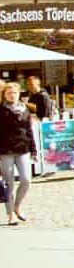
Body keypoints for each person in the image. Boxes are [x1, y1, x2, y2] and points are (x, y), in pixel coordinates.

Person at [0, 82, 35, 225]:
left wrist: (33, 149)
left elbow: (29, 130)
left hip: (23, 149)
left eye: (14, 92)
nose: (12, 95)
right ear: (4, 95)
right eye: (9, 93)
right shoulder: (1, 110)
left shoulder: (25, 109)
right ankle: (10, 215)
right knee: (9, 183)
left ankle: (17, 206)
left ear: (19, 93)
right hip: (5, 150)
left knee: (26, 180)